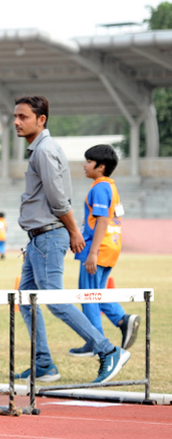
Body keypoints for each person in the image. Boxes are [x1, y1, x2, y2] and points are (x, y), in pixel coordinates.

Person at [11, 96, 129, 384]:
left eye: (23, 116)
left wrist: (75, 231)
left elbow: (58, 199)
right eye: (15, 116)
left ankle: (108, 349)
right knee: (26, 301)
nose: (16, 121)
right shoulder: (41, 149)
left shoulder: (44, 151)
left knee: (56, 300)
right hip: (39, 238)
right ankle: (44, 364)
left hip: (50, 235)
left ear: (41, 120)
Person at [69, 144, 139, 355]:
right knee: (97, 292)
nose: (84, 165)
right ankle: (122, 319)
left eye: (89, 162)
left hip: (97, 248)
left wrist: (92, 253)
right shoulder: (111, 186)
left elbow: (102, 221)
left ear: (101, 166)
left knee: (88, 294)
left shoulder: (99, 187)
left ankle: (96, 341)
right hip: (111, 247)